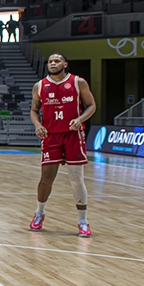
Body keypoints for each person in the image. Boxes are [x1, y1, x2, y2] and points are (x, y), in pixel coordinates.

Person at [30, 53, 97, 236]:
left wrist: (80, 119)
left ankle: (83, 221)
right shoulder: (40, 85)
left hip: (73, 134)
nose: (53, 63)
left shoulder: (78, 82)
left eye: (57, 61)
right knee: (46, 179)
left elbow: (91, 106)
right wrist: (38, 125)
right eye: (50, 61)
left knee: (76, 178)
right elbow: (34, 110)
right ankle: (39, 213)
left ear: (65, 64)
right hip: (51, 136)